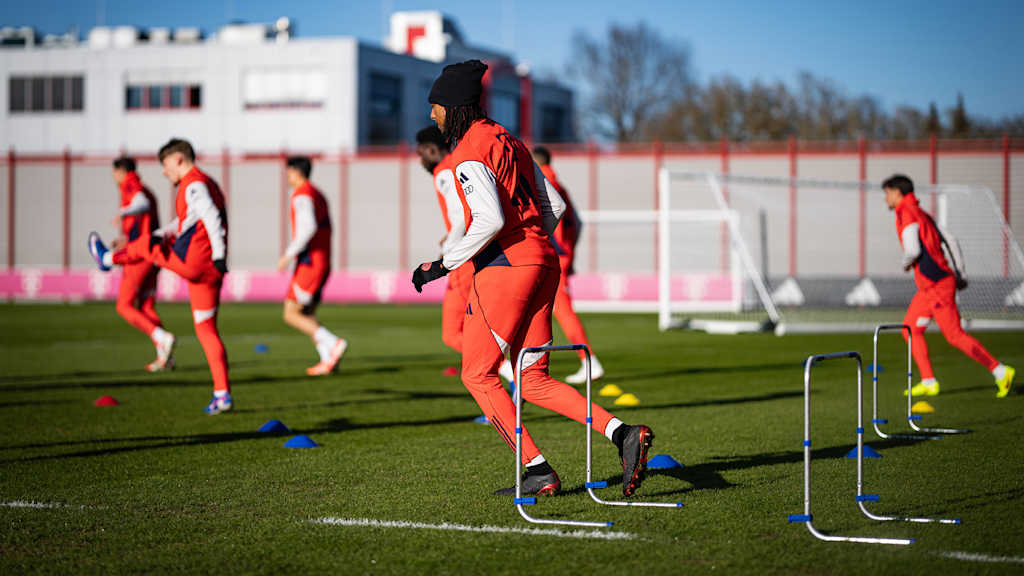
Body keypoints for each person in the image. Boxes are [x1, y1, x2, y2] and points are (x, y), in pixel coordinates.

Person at [412, 60, 655, 497]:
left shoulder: (468, 151)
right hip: (544, 262)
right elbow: (555, 207)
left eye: (436, 107)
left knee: (477, 375)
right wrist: (530, 242)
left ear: (454, 107)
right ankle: (623, 434)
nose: (432, 115)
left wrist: (441, 265)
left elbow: (487, 221)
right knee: (533, 379)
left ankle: (537, 469)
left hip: (507, 268)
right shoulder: (511, 140)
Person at [89, 138, 234, 414]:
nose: (164, 172)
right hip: (209, 272)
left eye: (165, 165)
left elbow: (212, 217)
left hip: (195, 262)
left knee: (146, 246)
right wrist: (165, 234)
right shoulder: (206, 182)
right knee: (207, 330)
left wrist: (219, 253)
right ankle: (222, 393)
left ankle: (107, 258)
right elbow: (186, 222)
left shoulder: (193, 184)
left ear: (178, 159)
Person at [883, 174, 1015, 398]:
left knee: (954, 335)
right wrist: (960, 273)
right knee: (911, 329)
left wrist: (905, 263)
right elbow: (951, 240)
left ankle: (1000, 371)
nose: (885, 198)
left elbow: (913, 250)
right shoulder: (923, 213)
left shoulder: (905, 212)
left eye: (886, 193)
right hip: (931, 286)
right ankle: (929, 380)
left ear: (897, 192)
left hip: (936, 284)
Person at [414, 126, 517, 383]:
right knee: (461, 331)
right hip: (470, 255)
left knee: (456, 332)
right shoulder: (456, 164)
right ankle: (507, 373)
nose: (420, 160)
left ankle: (507, 374)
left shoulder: (443, 172)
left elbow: (461, 214)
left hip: (461, 260)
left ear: (431, 149)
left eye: (421, 153)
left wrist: (450, 246)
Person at [531, 145, 603, 383]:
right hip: (562, 253)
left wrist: (562, 252)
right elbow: (578, 223)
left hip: (555, 254)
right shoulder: (558, 182)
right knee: (552, 309)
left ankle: (589, 361)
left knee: (562, 310)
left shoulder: (544, 179)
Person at [276, 156, 348, 376]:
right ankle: (328, 359)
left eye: (288, 173)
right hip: (322, 260)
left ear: (297, 172)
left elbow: (308, 227)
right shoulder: (317, 194)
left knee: (290, 314)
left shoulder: (302, 195)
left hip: (310, 263)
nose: (287, 177)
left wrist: (288, 254)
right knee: (307, 312)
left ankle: (334, 343)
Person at [108, 156, 176, 371]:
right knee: (146, 306)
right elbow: (146, 223)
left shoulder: (131, 184)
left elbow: (141, 204)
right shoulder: (143, 188)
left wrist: (122, 212)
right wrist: (127, 240)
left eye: (114, 173)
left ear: (120, 171)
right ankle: (165, 357)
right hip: (152, 254)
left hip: (140, 256)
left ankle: (161, 337)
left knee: (124, 305)